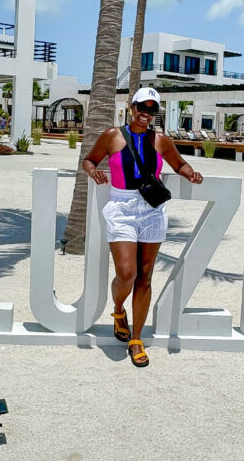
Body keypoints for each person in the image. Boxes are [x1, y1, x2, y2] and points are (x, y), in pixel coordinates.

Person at [82, 87, 203, 368]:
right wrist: (93, 171)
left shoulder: (160, 139)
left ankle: (136, 339)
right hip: (122, 208)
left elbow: (179, 164)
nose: (145, 114)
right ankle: (118, 310)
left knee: (145, 277)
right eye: (142, 107)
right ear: (132, 106)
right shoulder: (112, 136)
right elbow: (89, 160)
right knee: (126, 273)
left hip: (152, 210)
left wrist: (191, 174)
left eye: (152, 110)